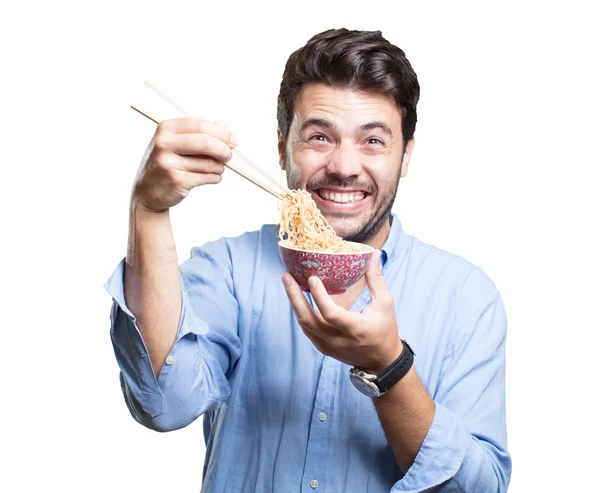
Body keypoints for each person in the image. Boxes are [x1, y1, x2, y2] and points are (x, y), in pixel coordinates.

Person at [105, 28, 511, 492]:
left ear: (405, 156)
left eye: (373, 141)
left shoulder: (464, 297)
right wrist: (150, 210)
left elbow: (478, 489)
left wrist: (390, 367)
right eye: (319, 137)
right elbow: (163, 403)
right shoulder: (231, 269)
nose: (343, 166)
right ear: (282, 147)